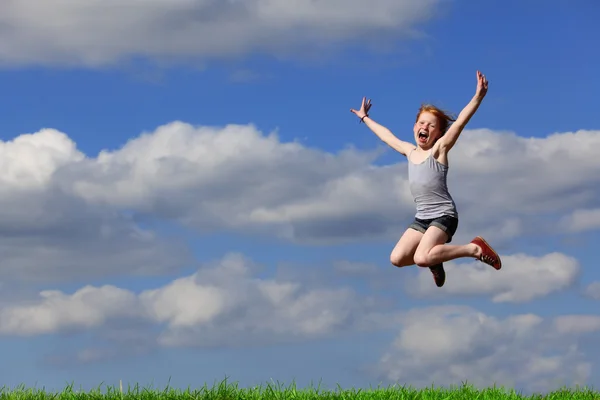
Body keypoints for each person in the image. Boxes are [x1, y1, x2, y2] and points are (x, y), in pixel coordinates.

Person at [350, 70, 501, 288]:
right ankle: (435, 259)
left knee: (421, 257)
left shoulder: (438, 150)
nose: (425, 128)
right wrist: (365, 118)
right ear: (414, 127)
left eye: (431, 126)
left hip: (444, 215)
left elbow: (458, 124)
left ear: (438, 134)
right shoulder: (410, 151)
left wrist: (478, 97)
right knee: (397, 258)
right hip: (423, 218)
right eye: (422, 123)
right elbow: (386, 136)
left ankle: (474, 249)